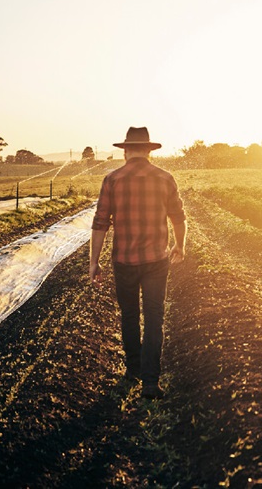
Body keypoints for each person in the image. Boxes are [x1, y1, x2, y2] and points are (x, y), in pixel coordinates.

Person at [89, 127, 186, 399]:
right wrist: (181, 245)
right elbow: (178, 217)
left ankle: (132, 372)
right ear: (149, 151)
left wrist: (93, 262)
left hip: (124, 260)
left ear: (125, 151)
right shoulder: (165, 178)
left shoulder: (112, 179)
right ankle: (150, 382)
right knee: (154, 316)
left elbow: (100, 223)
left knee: (129, 315)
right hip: (157, 259)